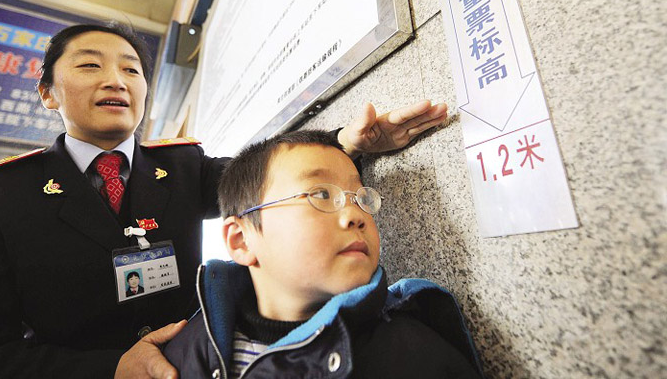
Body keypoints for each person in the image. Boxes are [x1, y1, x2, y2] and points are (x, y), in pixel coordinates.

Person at [0, 22, 448, 379]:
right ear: (48, 92)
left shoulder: (181, 168)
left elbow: (259, 181)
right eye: (89, 65)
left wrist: (348, 144)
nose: (115, 80)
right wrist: (110, 369)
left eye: (131, 69)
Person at [163, 130, 482, 378]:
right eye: (320, 194)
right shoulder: (182, 353)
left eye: (359, 197)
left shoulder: (414, 355)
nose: (355, 215)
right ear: (242, 240)